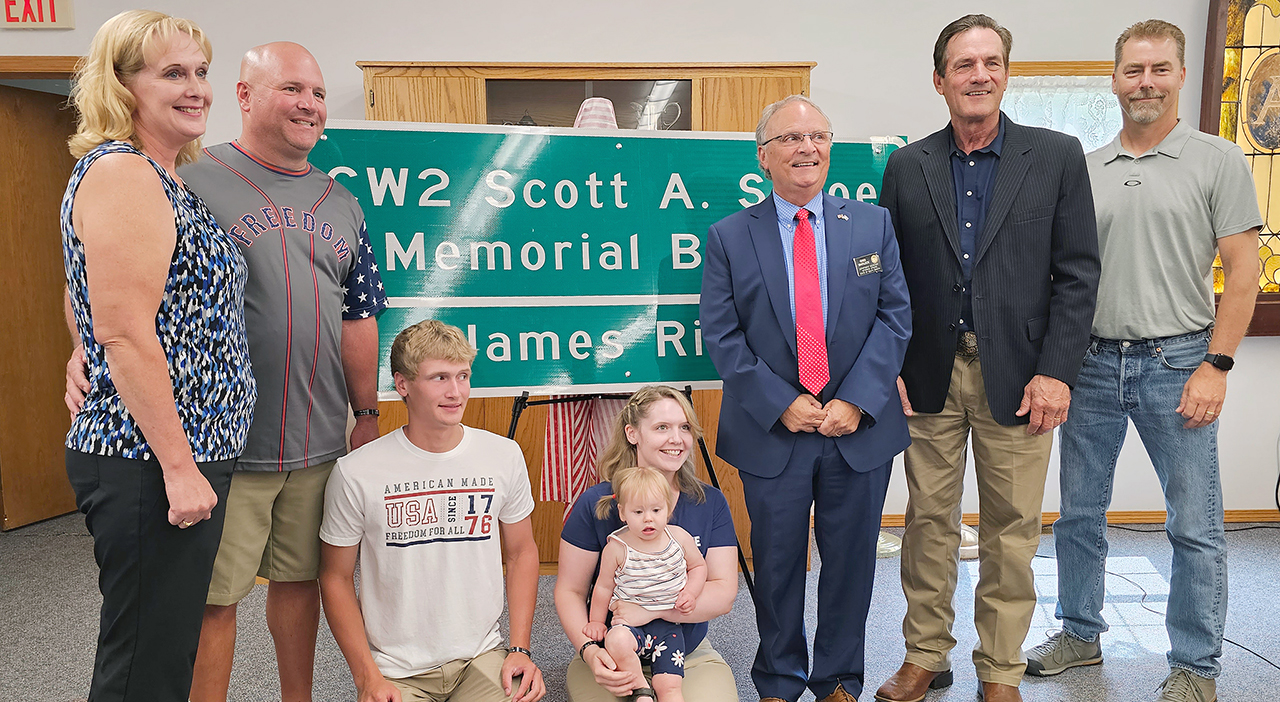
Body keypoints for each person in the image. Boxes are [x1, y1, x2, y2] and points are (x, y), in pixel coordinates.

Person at [64, 40, 387, 702]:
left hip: (317, 437)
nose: (311, 104)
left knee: (299, 586)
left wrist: (367, 412)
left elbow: (360, 316)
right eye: (293, 89)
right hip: (220, 449)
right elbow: (101, 283)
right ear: (245, 96)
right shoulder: (185, 174)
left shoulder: (343, 203)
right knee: (205, 603)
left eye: (320, 93)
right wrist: (83, 348)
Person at [1024, 20, 1262, 702]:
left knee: (1195, 525)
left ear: (1182, 75)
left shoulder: (1218, 160)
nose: (1146, 82)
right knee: (1077, 516)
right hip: (1092, 364)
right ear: (1115, 79)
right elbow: (1059, 277)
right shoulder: (1085, 167)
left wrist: (1216, 364)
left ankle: (1195, 666)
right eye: (1134, 70)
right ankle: (1078, 633)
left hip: (1178, 361)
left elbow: (1242, 275)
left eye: (1159, 69)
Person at [874, 14, 1100, 702]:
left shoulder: (1057, 156)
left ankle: (1000, 670)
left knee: (1011, 533)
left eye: (991, 62)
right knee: (928, 525)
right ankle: (926, 655)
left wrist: (1058, 370)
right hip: (930, 377)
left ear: (1005, 73)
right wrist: (892, 366)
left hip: (1025, 377)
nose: (979, 75)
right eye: (964, 64)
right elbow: (889, 276)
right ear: (939, 80)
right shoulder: (908, 167)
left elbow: (1078, 272)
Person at [59, 10, 256, 702]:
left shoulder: (160, 177)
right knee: (145, 662)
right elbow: (127, 329)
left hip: (180, 452)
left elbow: (87, 290)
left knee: (164, 652)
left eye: (201, 71)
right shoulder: (123, 173)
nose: (196, 87)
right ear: (122, 85)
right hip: (150, 461)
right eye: (173, 73)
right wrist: (179, 466)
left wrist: (84, 342)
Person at [699, 93, 911, 702]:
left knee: (851, 566)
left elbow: (895, 319)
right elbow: (722, 334)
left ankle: (840, 678)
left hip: (858, 429)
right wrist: (780, 402)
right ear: (764, 156)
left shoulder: (872, 224)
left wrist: (858, 401)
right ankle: (779, 679)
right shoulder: (729, 236)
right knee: (779, 564)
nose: (807, 148)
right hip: (773, 431)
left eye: (818, 136)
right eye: (791, 138)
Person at [318, 319, 546, 702]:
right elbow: (335, 578)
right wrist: (367, 678)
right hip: (396, 671)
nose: (455, 392)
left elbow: (522, 552)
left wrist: (520, 650)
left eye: (463, 376)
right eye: (439, 378)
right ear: (403, 384)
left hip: (481, 658)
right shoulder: (356, 471)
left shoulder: (503, 456)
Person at [555, 385, 740, 702]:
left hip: (687, 654)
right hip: (612, 654)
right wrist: (588, 652)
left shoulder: (710, 502)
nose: (677, 439)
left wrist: (647, 610)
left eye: (684, 427)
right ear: (632, 433)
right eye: (662, 428)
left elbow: (723, 593)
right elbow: (569, 590)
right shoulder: (594, 503)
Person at [584, 465, 708, 702]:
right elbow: (603, 587)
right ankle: (640, 688)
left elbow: (699, 567)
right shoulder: (617, 547)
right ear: (622, 513)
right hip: (630, 626)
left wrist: (691, 593)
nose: (648, 518)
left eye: (656, 510)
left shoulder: (679, 538)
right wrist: (596, 622)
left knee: (670, 685)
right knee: (615, 640)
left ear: (668, 508)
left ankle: (664, 692)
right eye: (638, 512)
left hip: (669, 626)